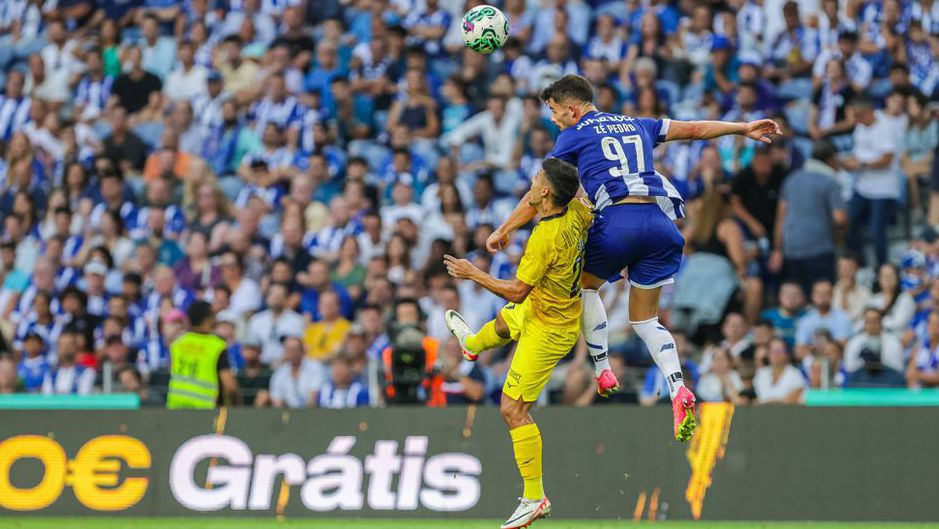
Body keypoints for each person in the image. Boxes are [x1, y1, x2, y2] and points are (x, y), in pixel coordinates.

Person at [487, 74, 781, 441]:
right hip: (660, 226)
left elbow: (541, 190)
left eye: (555, 111)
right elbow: (693, 129)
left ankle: (602, 368)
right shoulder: (638, 124)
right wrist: (742, 127)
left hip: (618, 222)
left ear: (573, 108)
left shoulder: (573, 134)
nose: (554, 119)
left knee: (580, 289)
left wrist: (505, 229)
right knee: (645, 320)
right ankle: (678, 387)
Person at [443, 158, 588, 529]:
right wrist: (504, 228)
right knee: (503, 322)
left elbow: (518, 291)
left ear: (545, 192)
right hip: (550, 306)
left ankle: (534, 497)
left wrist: (472, 272)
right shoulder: (575, 208)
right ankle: (472, 345)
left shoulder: (545, 238)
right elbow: (548, 198)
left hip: (550, 328)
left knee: (512, 409)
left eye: (538, 178)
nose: (532, 180)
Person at [771, 139, 847, 296]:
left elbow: (780, 218)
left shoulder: (791, 179)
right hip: (819, 249)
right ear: (831, 159)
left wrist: (778, 249)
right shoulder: (830, 181)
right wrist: (838, 238)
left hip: (792, 249)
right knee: (823, 297)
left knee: (800, 298)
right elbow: (840, 218)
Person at [166, 301, 238, 409]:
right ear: (208, 319)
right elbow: (229, 385)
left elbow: (171, 370)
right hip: (204, 411)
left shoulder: (177, 344)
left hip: (175, 408)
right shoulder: (216, 346)